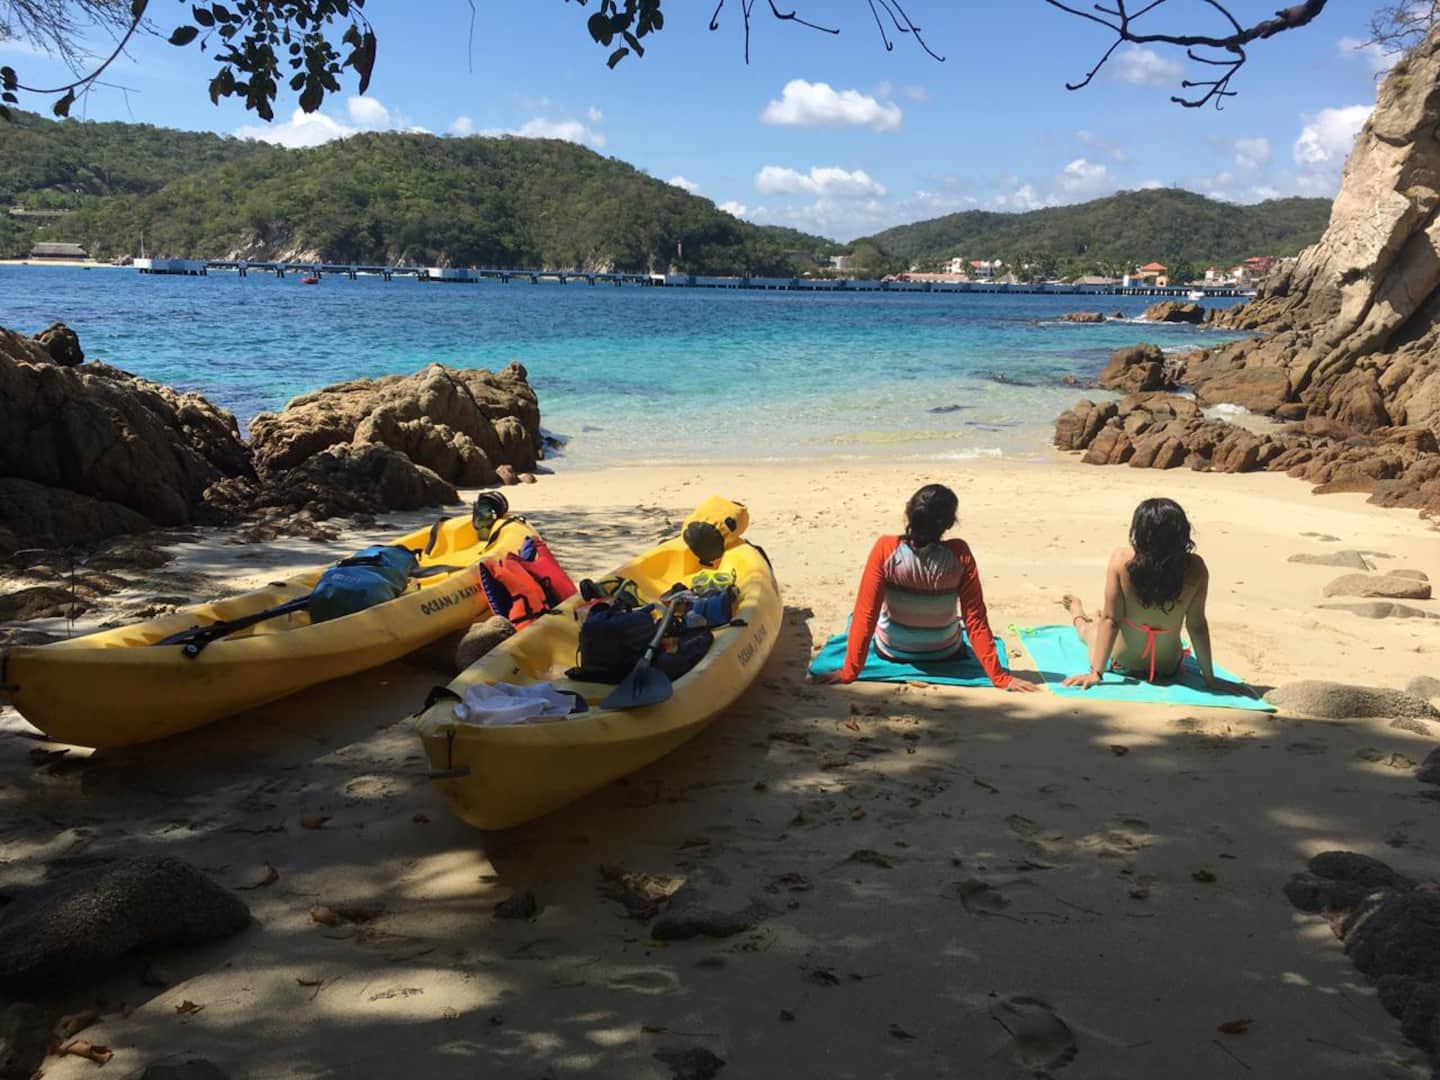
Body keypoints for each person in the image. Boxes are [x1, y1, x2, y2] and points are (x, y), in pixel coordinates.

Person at [814, 483, 1035, 692]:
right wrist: (999, 677)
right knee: (959, 626)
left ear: (909, 514)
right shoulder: (960, 554)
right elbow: (975, 619)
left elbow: (866, 614)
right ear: (949, 524)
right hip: (944, 652)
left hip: (892, 651)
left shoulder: (885, 548)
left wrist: (850, 671)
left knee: (857, 617)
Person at [1061, 497, 1219, 690]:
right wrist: (1209, 678)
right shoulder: (1196, 568)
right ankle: (1090, 616)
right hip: (1169, 669)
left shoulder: (1121, 560)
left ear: (1140, 532)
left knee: (1089, 631)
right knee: (1101, 623)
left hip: (1121, 665)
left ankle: (1078, 614)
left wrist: (1096, 673)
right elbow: (1197, 625)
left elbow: (1111, 620)